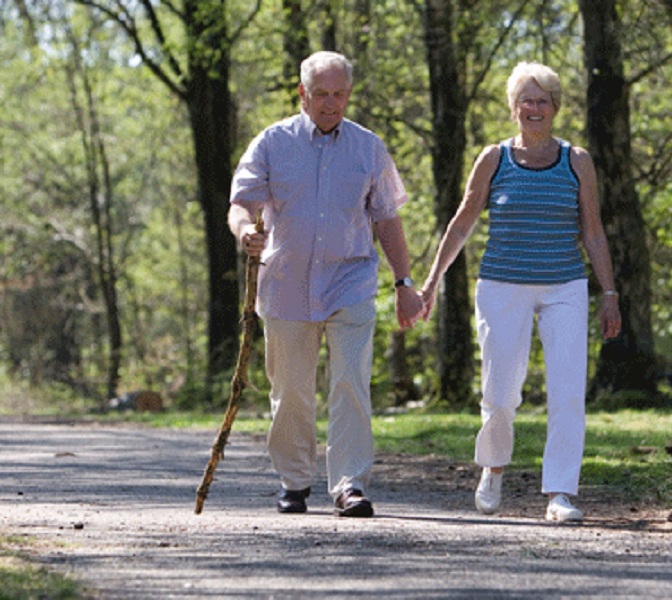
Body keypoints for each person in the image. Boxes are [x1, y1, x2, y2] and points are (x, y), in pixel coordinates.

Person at [420, 62, 621, 522]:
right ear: (513, 109)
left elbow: (593, 232)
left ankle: (560, 493)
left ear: (555, 108)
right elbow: (463, 222)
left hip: (565, 284)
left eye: (543, 100)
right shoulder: (494, 158)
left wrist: (609, 292)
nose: (535, 108)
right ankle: (493, 466)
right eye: (526, 100)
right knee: (500, 389)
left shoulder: (578, 161)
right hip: (502, 283)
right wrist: (431, 281)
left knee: (568, 389)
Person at [228, 51, 423, 518]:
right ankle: (294, 482)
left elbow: (388, 220)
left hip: (350, 280)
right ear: (303, 94)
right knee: (291, 389)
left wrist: (404, 282)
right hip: (285, 284)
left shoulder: (369, 148)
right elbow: (240, 203)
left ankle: (349, 484)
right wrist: (244, 232)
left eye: (339, 94)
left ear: (349, 94)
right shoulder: (272, 143)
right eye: (321, 94)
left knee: (351, 383)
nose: (331, 104)